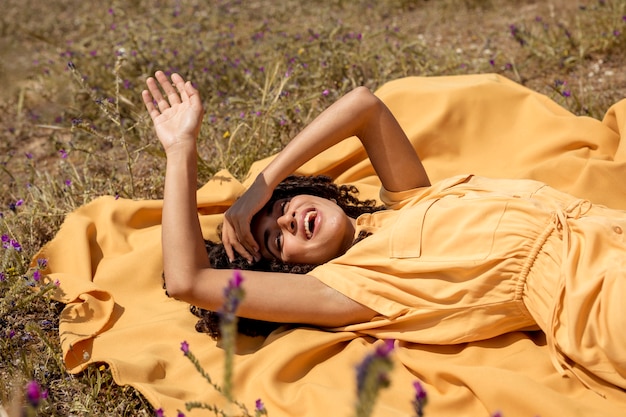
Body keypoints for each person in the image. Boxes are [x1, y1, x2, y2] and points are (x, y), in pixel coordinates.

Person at [142, 71, 626, 390]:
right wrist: (182, 148)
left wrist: (260, 187)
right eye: (274, 238)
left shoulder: (407, 198)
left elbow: (363, 105)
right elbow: (189, 281)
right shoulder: (349, 287)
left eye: (281, 206)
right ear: (285, 269)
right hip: (590, 295)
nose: (286, 218)